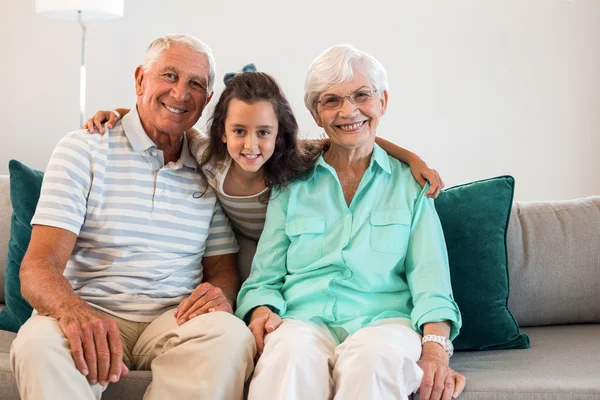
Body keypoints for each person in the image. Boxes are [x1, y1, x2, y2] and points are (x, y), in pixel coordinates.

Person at [10, 34, 255, 400]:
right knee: (37, 342)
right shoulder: (85, 148)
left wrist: (221, 295)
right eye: (169, 76)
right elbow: (38, 266)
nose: (180, 93)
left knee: (231, 336)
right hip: (90, 306)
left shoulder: (213, 164)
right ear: (140, 79)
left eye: (195, 84)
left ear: (207, 100)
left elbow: (222, 268)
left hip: (176, 319)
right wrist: (74, 312)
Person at [235, 44, 465, 400]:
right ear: (316, 114)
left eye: (362, 95)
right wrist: (261, 308)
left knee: (372, 361)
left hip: (385, 323)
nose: (349, 111)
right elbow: (263, 278)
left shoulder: (411, 185)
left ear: (382, 102)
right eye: (331, 101)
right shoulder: (290, 182)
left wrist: (435, 349)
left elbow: (431, 285)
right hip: (303, 321)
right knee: (287, 358)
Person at [83, 68, 445, 280]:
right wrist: (114, 113)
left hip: (286, 246)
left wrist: (412, 159)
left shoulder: (298, 155)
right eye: (239, 131)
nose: (251, 145)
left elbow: (356, 135)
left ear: (280, 134)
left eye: (263, 133)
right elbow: (159, 120)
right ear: (223, 132)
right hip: (241, 245)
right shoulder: (210, 154)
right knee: (246, 285)